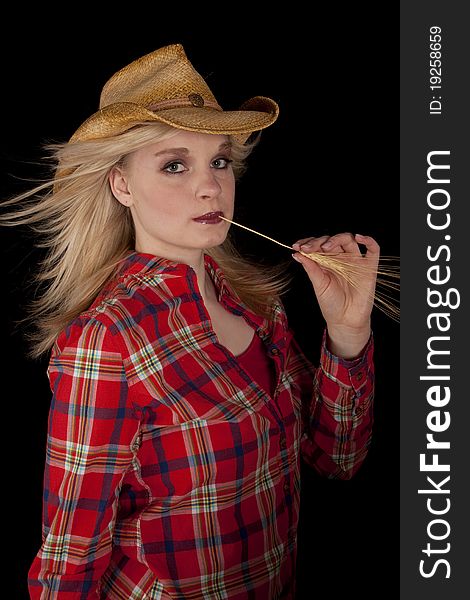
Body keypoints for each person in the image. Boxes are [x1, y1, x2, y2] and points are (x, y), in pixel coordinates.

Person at [3, 43, 378, 599]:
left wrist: (348, 334)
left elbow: (336, 460)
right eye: (175, 165)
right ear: (121, 184)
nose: (210, 187)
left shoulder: (256, 303)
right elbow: (68, 560)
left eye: (219, 161)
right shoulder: (107, 340)